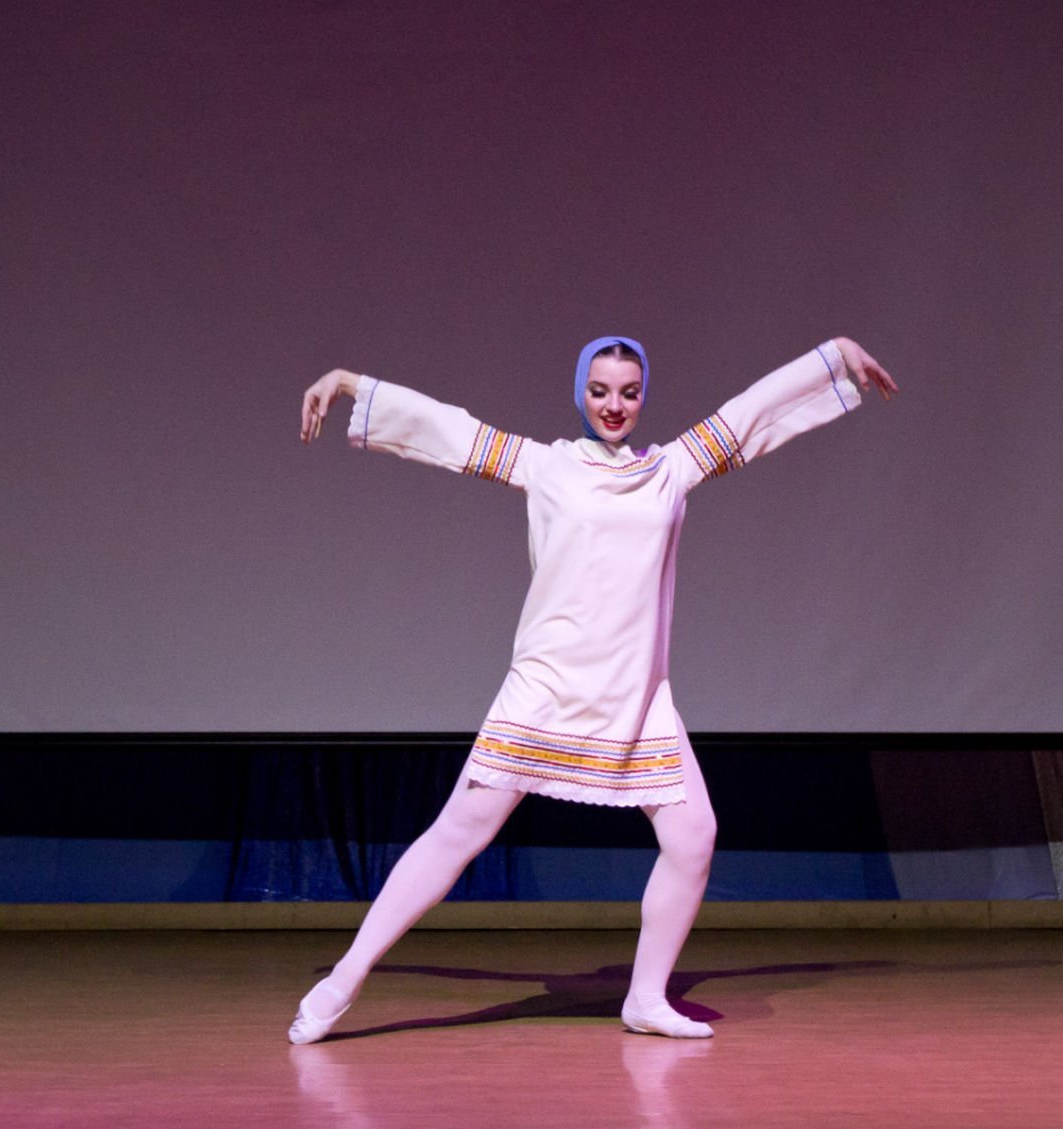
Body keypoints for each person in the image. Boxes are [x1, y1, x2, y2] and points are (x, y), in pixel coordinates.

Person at [291, 334, 897, 1044]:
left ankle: (645, 997)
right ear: (581, 392)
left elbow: (750, 413)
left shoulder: (671, 469)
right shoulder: (545, 466)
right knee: (456, 835)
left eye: (629, 392)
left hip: (636, 696)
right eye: (601, 390)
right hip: (547, 688)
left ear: (644, 397)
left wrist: (833, 355)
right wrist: (350, 382)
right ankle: (342, 981)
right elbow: (448, 431)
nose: (615, 405)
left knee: (693, 836)